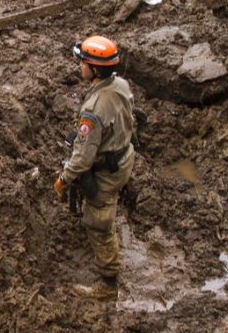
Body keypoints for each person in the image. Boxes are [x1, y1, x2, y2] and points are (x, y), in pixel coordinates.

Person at [54, 35, 136, 300]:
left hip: (106, 171)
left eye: (84, 63)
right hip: (124, 157)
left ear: (94, 69)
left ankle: (107, 285)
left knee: (98, 223)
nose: (80, 66)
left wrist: (64, 179)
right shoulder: (120, 85)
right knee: (106, 203)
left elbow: (82, 159)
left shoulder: (93, 109)